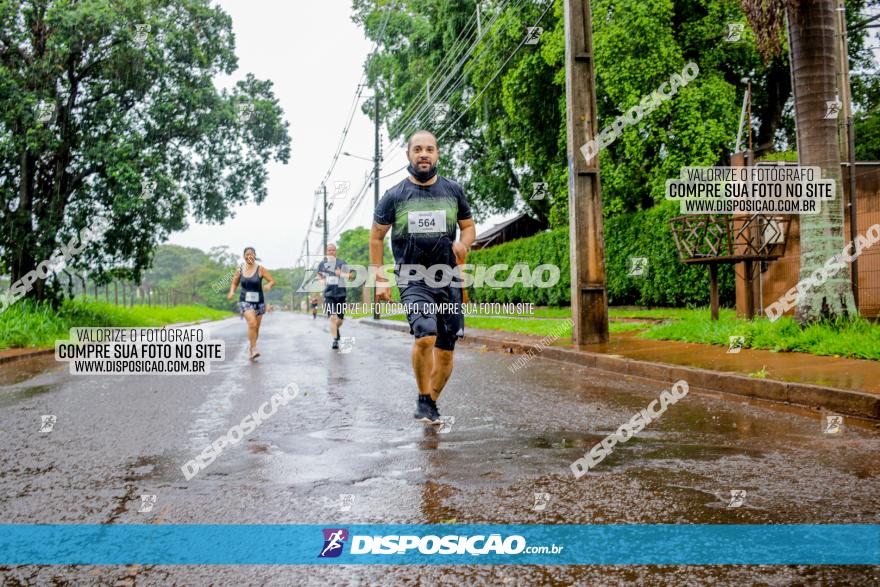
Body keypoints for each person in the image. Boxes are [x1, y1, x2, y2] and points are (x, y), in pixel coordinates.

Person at [370, 130, 476, 424]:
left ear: (437, 154)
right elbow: (377, 237)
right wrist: (380, 278)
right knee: (425, 333)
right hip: (413, 277)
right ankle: (422, 397)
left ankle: (430, 402)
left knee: (445, 351)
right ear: (409, 155)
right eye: (417, 149)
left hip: (449, 279)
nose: (424, 154)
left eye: (429, 149)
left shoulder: (453, 191)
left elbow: (468, 226)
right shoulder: (393, 196)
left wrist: (464, 244)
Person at [227, 247, 276, 360]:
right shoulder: (239, 270)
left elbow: (272, 280)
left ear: (255, 256)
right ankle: (254, 349)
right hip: (245, 301)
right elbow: (234, 283)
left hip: (259, 302)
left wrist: (269, 285)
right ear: (244, 256)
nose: (249, 256)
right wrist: (231, 292)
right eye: (247, 254)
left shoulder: (260, 269)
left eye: (252, 254)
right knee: (252, 323)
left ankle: (251, 348)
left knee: (256, 328)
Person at [316, 243, 354, 349]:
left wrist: (340, 273)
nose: (331, 252)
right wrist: (322, 280)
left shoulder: (342, 263)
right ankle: (335, 340)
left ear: (335, 251)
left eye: (333, 250)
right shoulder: (322, 264)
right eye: (329, 250)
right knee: (332, 317)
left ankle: (336, 330)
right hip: (329, 295)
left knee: (340, 320)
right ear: (326, 252)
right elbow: (318, 276)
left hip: (341, 294)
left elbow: (351, 276)